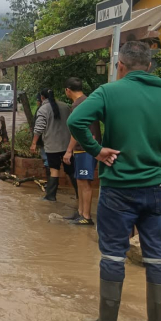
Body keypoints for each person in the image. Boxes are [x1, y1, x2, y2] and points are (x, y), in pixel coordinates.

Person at [68, 41, 161, 321]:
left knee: (113, 255)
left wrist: (97, 151)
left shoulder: (109, 92)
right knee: (157, 256)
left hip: (119, 188)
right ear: (150, 66)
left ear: (121, 66)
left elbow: (76, 121)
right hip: (157, 187)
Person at [62, 77, 100, 226]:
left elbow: (76, 131)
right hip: (83, 149)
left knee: (85, 183)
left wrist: (68, 150)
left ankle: (86, 216)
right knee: (80, 181)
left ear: (68, 90)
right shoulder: (85, 101)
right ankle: (80, 212)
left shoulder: (80, 105)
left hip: (86, 148)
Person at [30, 88, 73, 202]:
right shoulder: (65, 106)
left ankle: (51, 196)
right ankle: (80, 195)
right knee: (71, 171)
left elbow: (39, 128)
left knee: (54, 170)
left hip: (52, 146)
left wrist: (34, 143)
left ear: (42, 98)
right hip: (67, 145)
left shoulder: (43, 109)